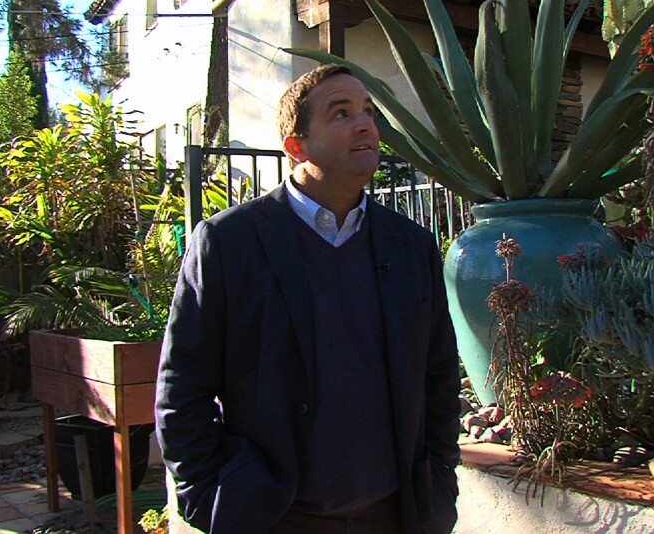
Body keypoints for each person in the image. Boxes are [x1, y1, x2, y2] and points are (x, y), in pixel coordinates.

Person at [155, 63, 462, 534]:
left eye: (368, 111)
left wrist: (440, 481)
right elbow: (183, 385)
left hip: (396, 515)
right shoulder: (229, 243)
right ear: (296, 146)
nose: (364, 124)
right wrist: (206, 494)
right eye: (341, 114)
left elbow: (438, 376)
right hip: (274, 517)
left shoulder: (411, 245)